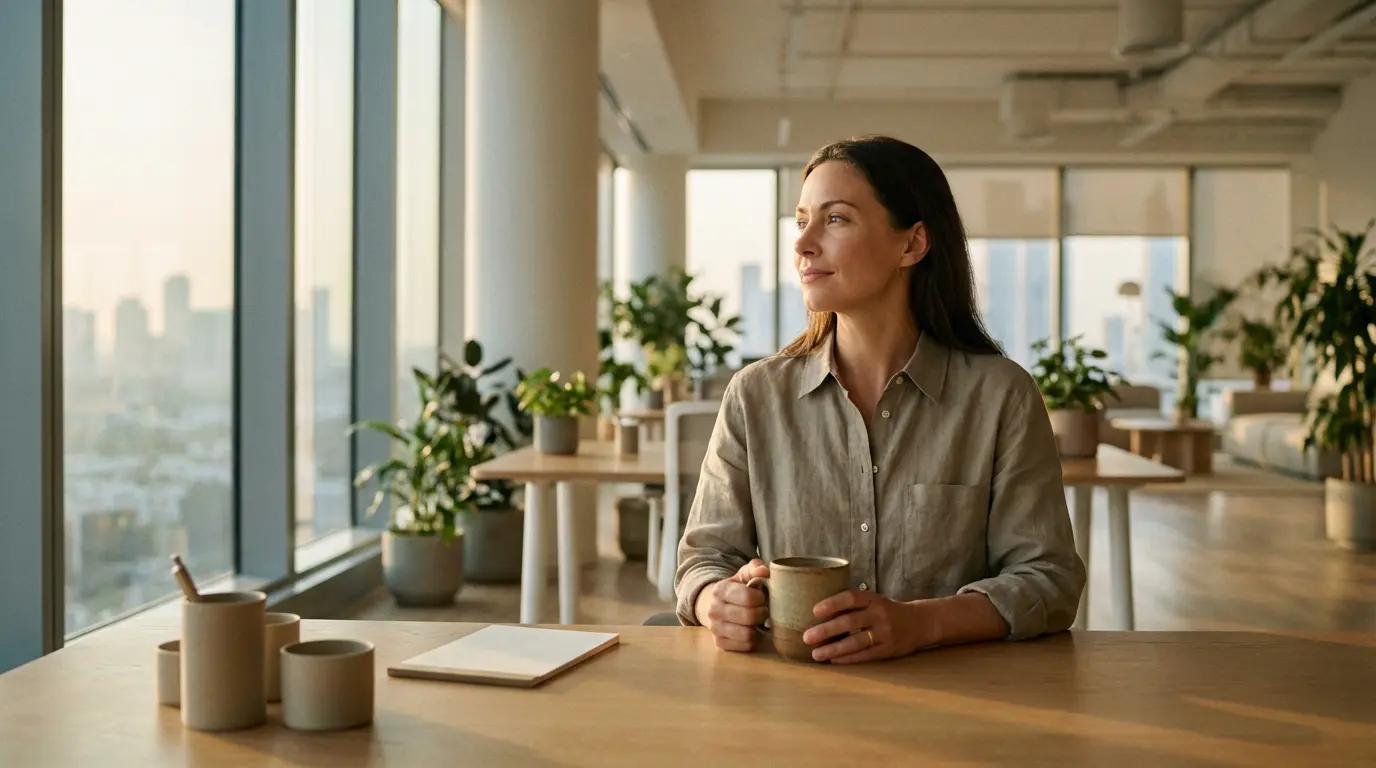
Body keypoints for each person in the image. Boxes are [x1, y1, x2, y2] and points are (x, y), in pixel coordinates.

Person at [673, 135, 1086, 664]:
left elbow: (1049, 579)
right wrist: (717, 601)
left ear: (912, 244)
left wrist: (923, 622)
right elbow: (703, 561)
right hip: (789, 703)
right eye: (801, 222)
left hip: (960, 706)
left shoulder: (1001, 396)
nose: (803, 244)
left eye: (836, 219)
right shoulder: (755, 396)